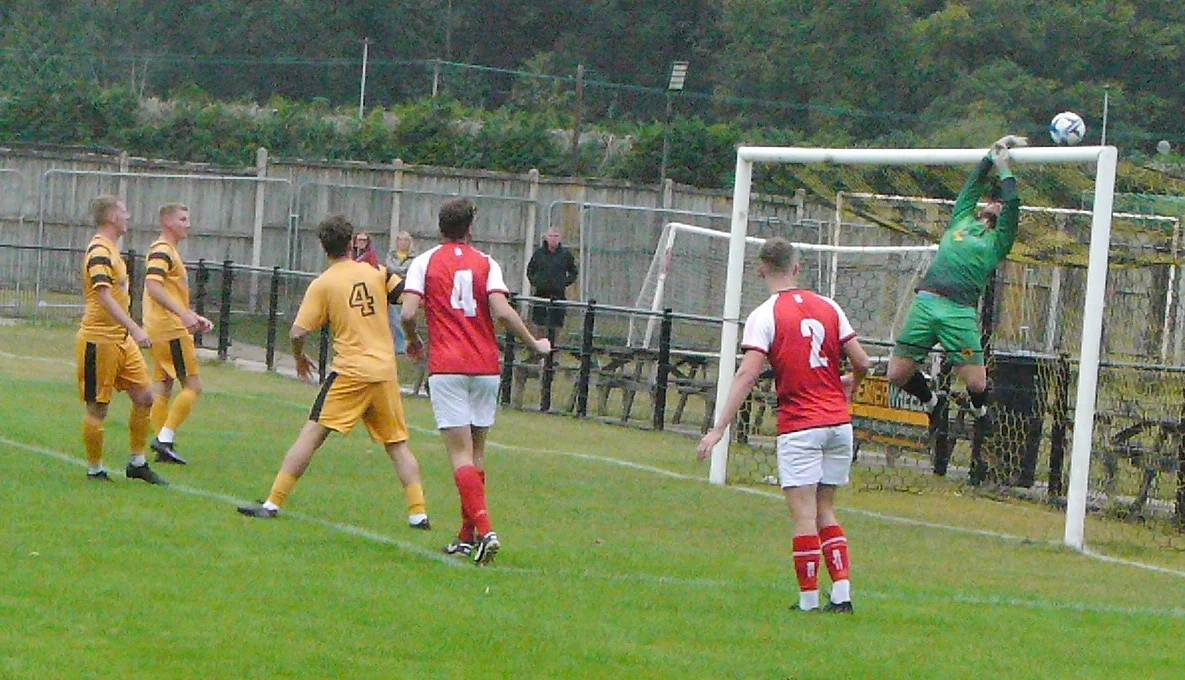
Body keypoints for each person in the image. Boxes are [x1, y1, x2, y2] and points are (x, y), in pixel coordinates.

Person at [697, 237, 871, 613]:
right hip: (838, 424)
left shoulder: (765, 315)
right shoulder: (828, 306)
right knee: (826, 509)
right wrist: (851, 385)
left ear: (761, 269)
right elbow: (863, 360)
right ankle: (841, 594)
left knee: (803, 514)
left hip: (801, 424)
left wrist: (718, 428)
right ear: (796, 267)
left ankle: (808, 600)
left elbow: (747, 374)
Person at [237, 215, 431, 530]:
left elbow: (298, 332)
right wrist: (413, 337)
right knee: (396, 444)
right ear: (353, 241)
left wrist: (300, 358)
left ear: (323, 246)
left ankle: (272, 503)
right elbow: (409, 296)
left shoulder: (324, 283)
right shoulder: (377, 272)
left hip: (351, 372)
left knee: (311, 435)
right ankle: (418, 513)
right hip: (383, 371)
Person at [400, 197, 551, 565]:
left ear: (440, 227)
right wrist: (534, 343)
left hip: (448, 367)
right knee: (477, 453)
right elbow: (501, 311)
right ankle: (467, 537)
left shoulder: (424, 262)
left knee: (458, 454)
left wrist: (413, 340)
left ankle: (485, 530)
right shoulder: (487, 263)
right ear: (470, 228)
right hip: (485, 367)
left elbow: (406, 312)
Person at [886, 135, 1027, 429]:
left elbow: (1014, 203)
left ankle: (979, 412)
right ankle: (932, 402)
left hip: (958, 312)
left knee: (976, 382)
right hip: (926, 303)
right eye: (993, 200)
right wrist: (992, 154)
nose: (995, 206)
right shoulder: (961, 220)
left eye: (1000, 204)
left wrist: (1005, 169)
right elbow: (971, 185)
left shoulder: (999, 242)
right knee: (897, 374)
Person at [76, 195, 169, 485]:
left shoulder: (113, 251)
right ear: (112, 218)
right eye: (124, 212)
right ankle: (95, 469)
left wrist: (130, 331)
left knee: (145, 396)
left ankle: (137, 462)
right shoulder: (99, 250)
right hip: (98, 339)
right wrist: (136, 328)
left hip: (120, 339)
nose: (128, 217)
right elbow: (103, 296)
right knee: (98, 406)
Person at [143, 203, 214, 466]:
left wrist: (192, 315)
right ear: (168, 223)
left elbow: (169, 292)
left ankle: (163, 445)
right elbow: (153, 285)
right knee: (192, 385)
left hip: (161, 325)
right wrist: (183, 316)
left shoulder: (168, 250)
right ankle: (164, 437)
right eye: (183, 219)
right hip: (168, 327)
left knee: (163, 384)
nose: (188, 223)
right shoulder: (162, 250)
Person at [526, 226, 578, 334]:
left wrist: (563, 282)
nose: (553, 239)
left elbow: (573, 272)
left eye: (556, 236)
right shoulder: (539, 253)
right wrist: (536, 282)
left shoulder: (566, 255)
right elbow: (530, 270)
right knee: (539, 325)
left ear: (560, 238)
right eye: (550, 236)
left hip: (558, 296)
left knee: (556, 326)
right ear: (545, 237)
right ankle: (539, 348)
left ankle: (554, 349)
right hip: (540, 294)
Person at [385, 231, 417, 354]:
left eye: (405, 240)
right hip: (393, 289)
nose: (402, 243)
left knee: (406, 316)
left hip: (408, 288)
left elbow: (411, 269)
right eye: (400, 240)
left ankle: (408, 343)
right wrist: (400, 271)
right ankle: (399, 346)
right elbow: (389, 268)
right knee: (394, 318)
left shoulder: (413, 257)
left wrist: (398, 270)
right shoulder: (391, 255)